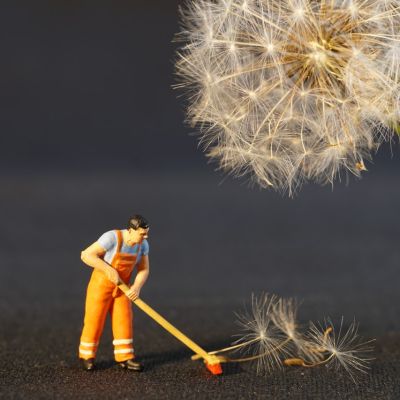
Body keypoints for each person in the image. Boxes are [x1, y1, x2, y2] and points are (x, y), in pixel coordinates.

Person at [78, 215, 150, 371]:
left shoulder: (142, 245)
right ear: (131, 231)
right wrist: (108, 269)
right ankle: (87, 356)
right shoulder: (112, 238)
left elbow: (144, 269)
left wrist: (136, 286)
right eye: (142, 233)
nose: (146, 237)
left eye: (147, 233)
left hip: (123, 289)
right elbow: (86, 255)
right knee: (94, 320)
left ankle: (125, 357)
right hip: (101, 286)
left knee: (124, 321)